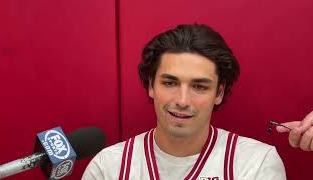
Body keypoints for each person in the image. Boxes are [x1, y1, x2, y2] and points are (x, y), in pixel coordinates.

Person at [82, 24, 286, 180]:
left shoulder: (257, 163)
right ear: (152, 85)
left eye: (199, 86)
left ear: (219, 93)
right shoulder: (108, 167)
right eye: (170, 82)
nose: (182, 100)